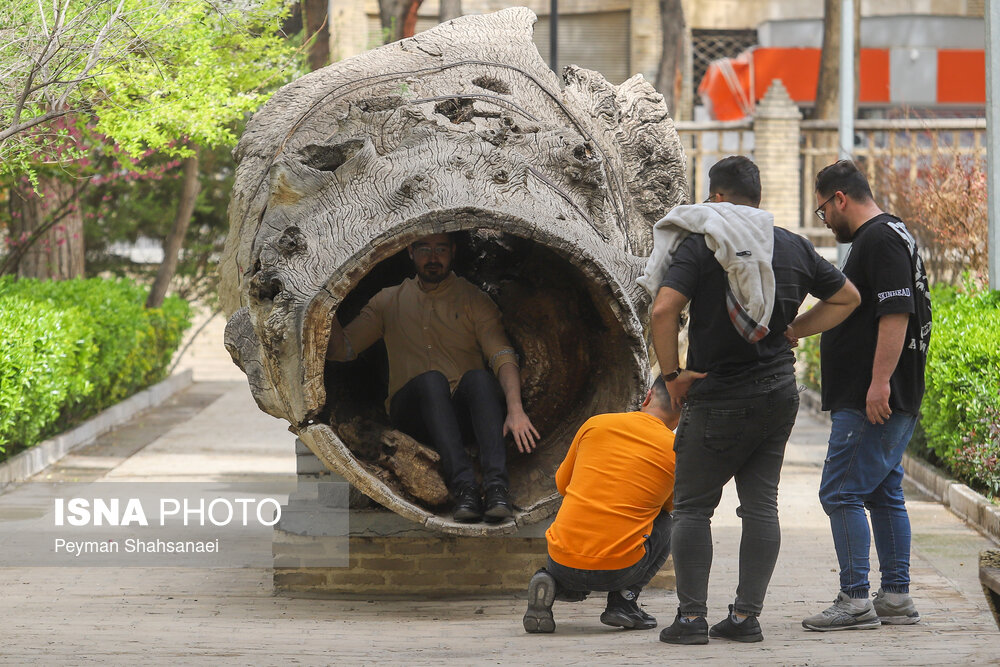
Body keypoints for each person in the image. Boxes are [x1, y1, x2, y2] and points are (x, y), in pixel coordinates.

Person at [646, 155, 860, 645]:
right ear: (757, 199)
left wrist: (672, 376)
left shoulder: (704, 243)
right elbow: (847, 296)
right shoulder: (789, 244)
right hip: (778, 394)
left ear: (716, 197)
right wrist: (796, 330)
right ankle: (745, 619)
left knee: (695, 508)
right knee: (761, 506)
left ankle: (692, 620)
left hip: (717, 395)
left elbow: (663, 309)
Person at [326, 232, 539, 523]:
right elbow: (343, 350)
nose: (433, 257)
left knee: (479, 378)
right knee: (431, 381)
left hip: (464, 418)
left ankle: (496, 489)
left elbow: (502, 356)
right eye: (425, 249)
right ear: (410, 252)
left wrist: (515, 409)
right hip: (414, 416)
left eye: (440, 249)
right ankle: (464, 488)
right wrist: (327, 302)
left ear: (452, 252)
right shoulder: (388, 301)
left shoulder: (473, 299)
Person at [801, 159, 932, 631]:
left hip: (872, 397)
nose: (825, 221)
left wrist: (879, 384)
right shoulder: (892, 235)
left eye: (823, 211)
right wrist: (793, 331)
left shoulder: (876, 239)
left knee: (839, 492)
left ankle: (855, 599)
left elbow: (895, 314)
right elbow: (846, 309)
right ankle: (895, 598)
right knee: (882, 492)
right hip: (886, 393)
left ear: (840, 199)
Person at [522, 377, 680, 634]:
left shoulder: (595, 424)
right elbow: (669, 506)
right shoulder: (675, 449)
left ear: (648, 396)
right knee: (666, 523)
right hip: (621, 570)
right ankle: (623, 602)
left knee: (576, 501)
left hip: (561, 560)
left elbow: (562, 485)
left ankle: (553, 583)